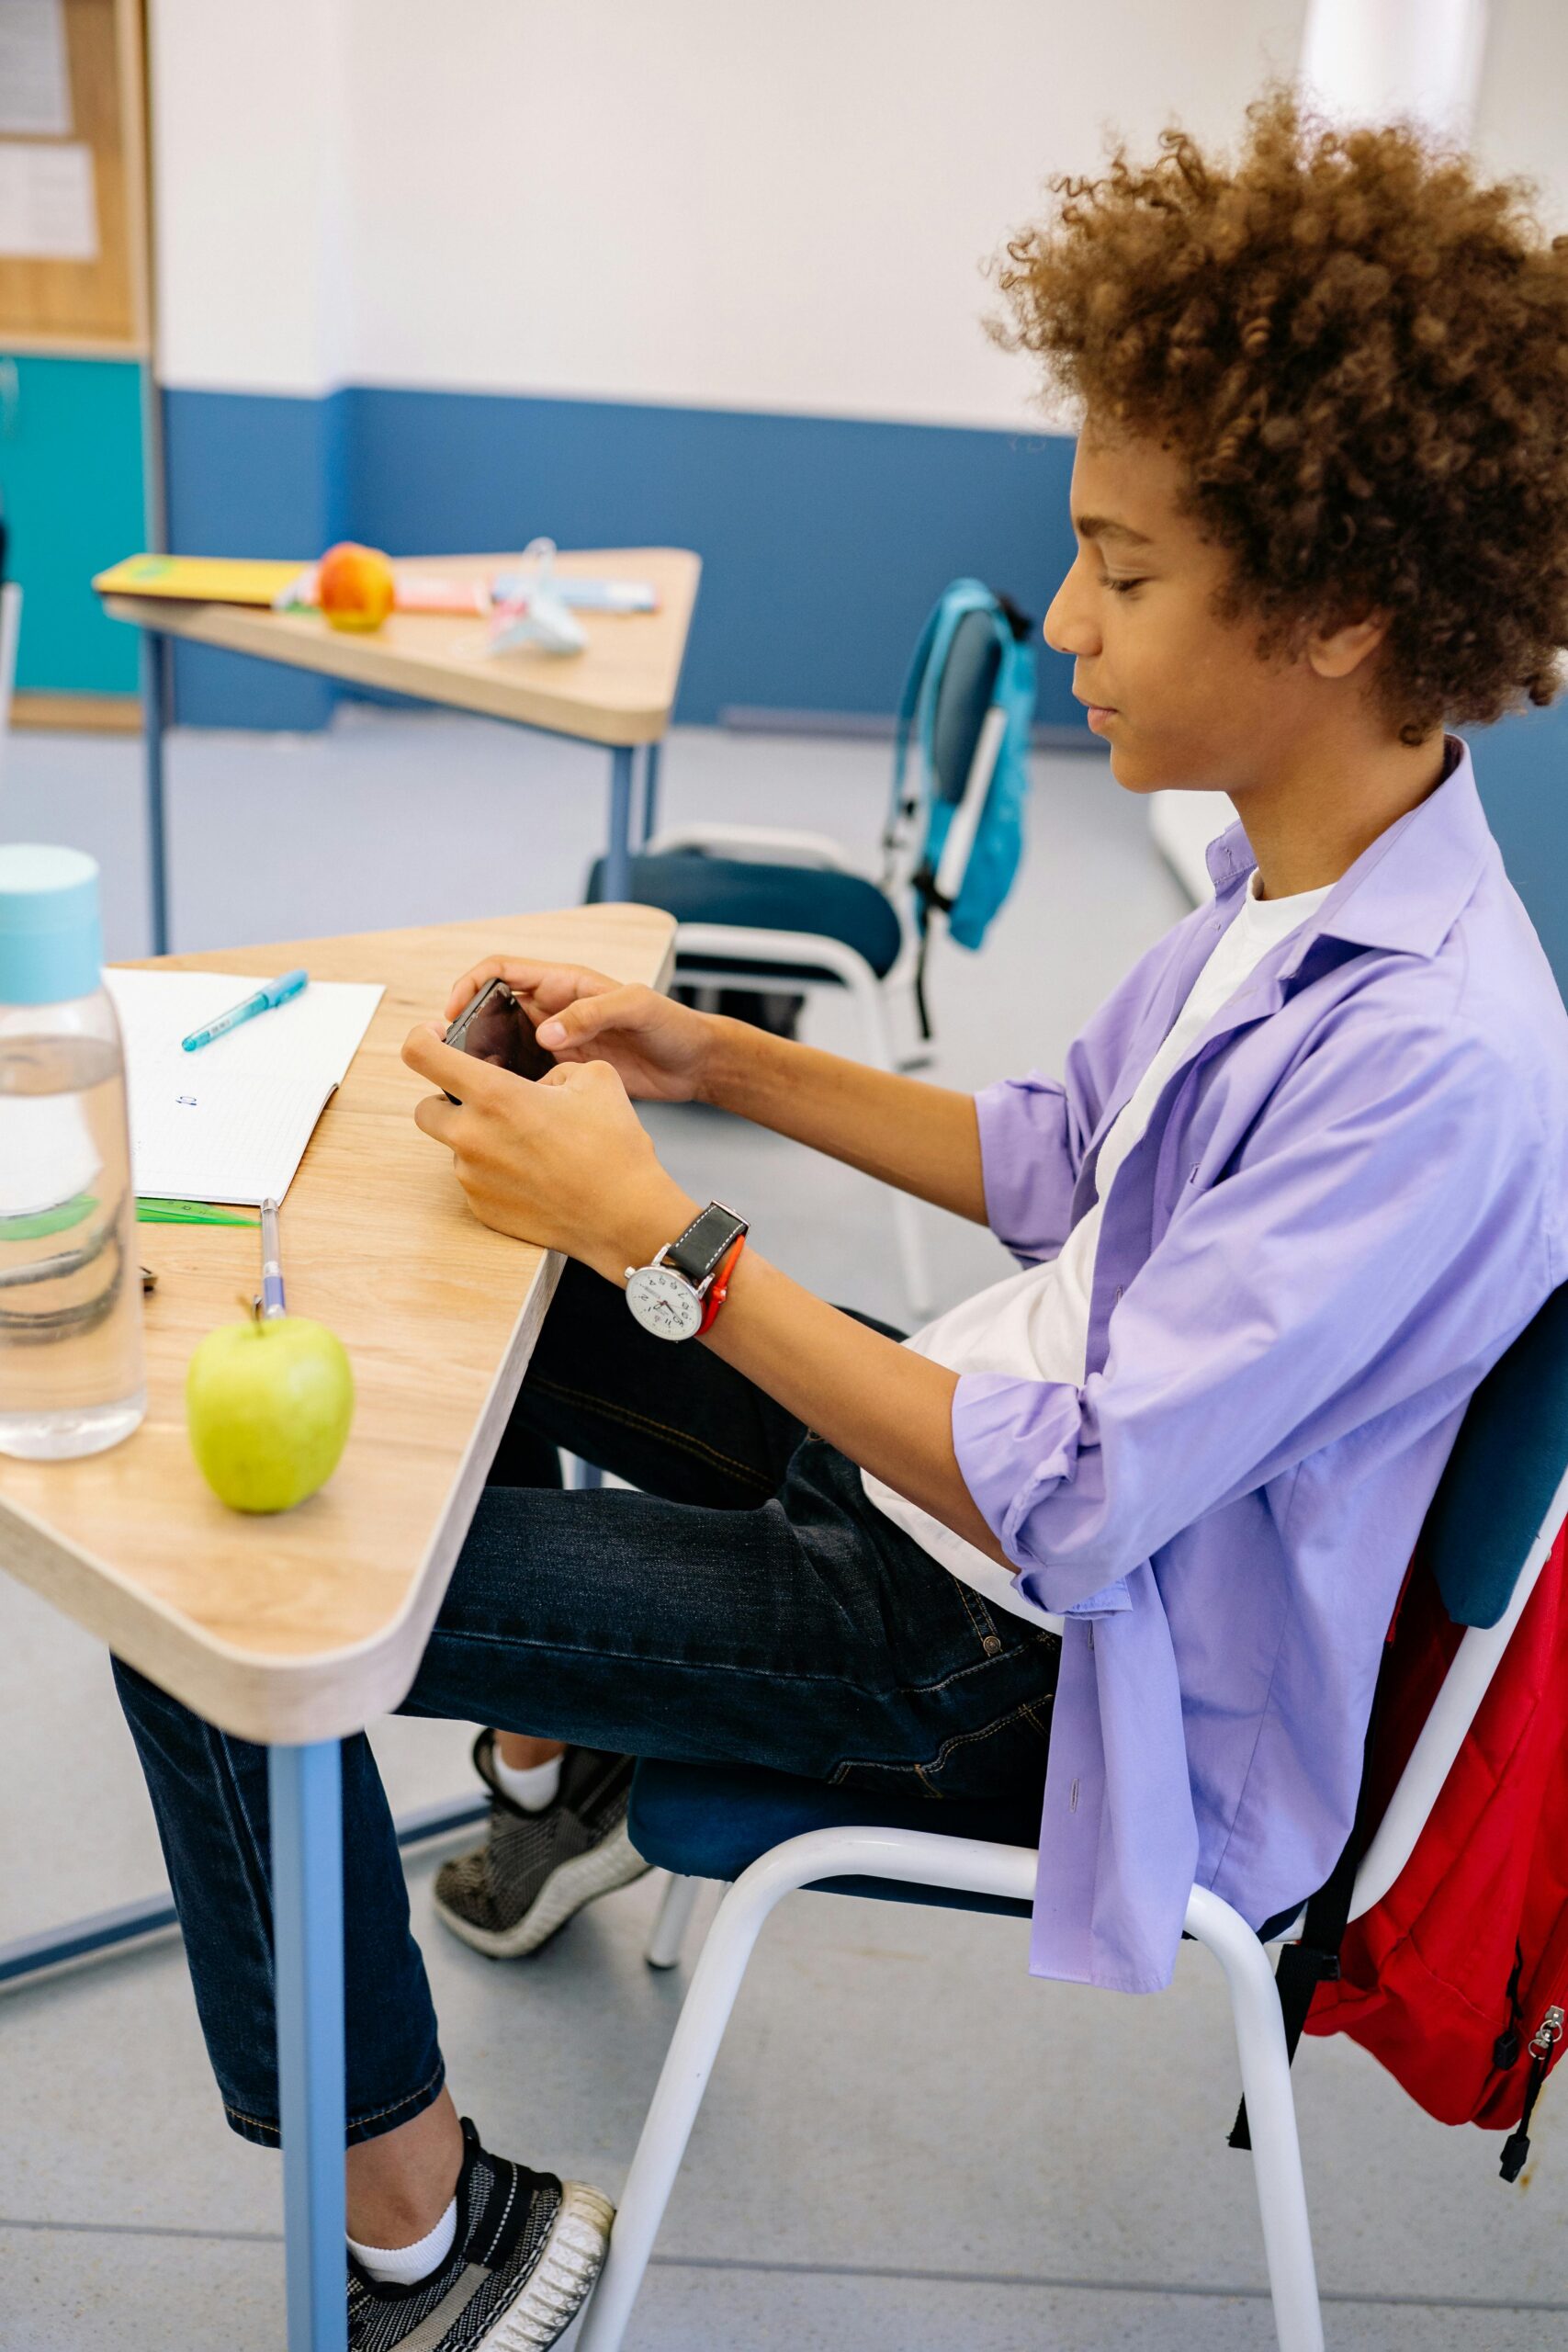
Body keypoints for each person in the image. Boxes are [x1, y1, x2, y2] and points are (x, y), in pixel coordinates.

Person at [114, 93, 1568, 2352]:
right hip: (946, 1482)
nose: (1065, 621)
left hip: (1010, 1658)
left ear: (1337, 608)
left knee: (215, 1612)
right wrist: (702, 1055)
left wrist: (680, 1245)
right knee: (487, 1214)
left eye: (1122, 570)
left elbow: (1077, 1505)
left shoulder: (1439, 1058)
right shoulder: (1298, 887)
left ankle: (428, 2239)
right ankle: (563, 1754)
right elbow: (1056, 1151)